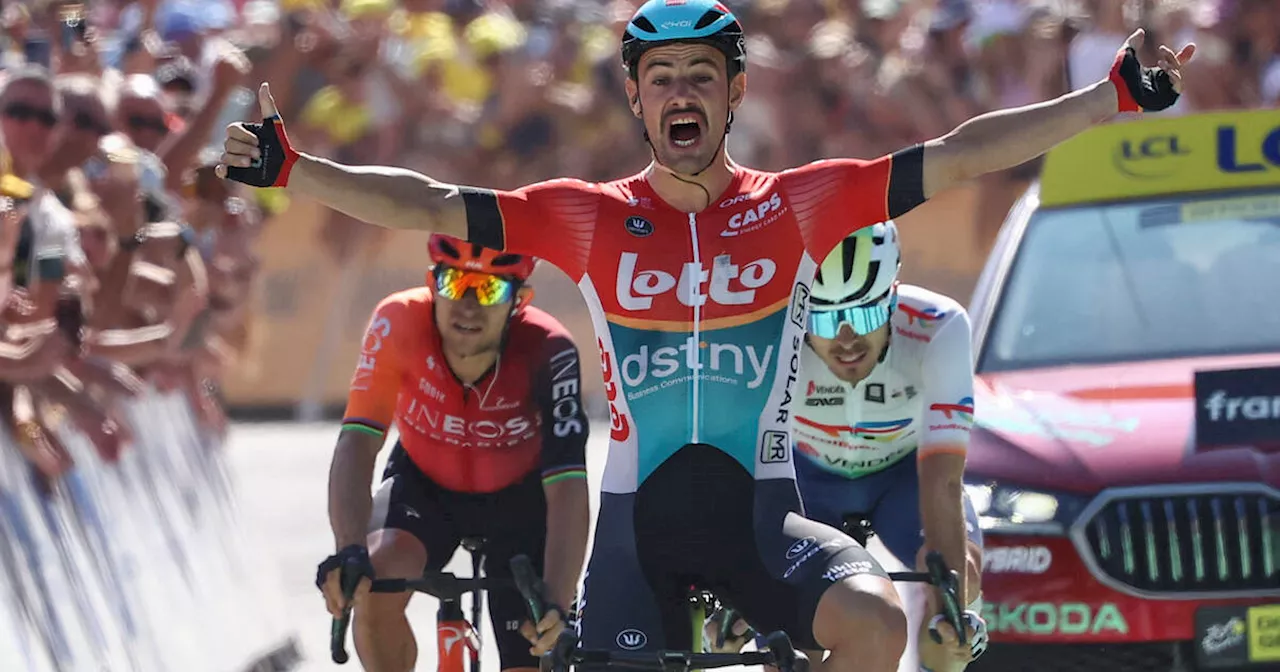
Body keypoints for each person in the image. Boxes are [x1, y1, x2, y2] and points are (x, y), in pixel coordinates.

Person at [220, 1, 1193, 668]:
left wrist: (1106, 96)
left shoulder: (802, 205)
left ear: (731, 97)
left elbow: (958, 154)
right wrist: (293, 171)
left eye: (700, 76)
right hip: (636, 531)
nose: (680, 92)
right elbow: (427, 200)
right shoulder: (586, 215)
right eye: (659, 78)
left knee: (869, 631)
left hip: (761, 523)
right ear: (635, 101)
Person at [706, 222, 987, 672]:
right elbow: (737, 466)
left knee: (955, 583)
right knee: (794, 645)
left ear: (892, 298)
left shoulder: (940, 324)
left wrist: (950, 604)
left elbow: (943, 478)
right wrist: (734, 581)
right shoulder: (770, 332)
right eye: (822, 319)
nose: (846, 340)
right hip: (807, 480)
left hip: (906, 477)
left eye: (864, 316)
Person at [315, 234, 592, 672]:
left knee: (539, 645)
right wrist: (348, 549)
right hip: (424, 487)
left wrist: (558, 600)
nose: (468, 305)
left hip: (522, 503)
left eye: (490, 289)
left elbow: (568, 485)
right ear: (431, 283)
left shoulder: (549, 348)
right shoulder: (397, 322)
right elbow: (358, 439)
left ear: (520, 300)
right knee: (372, 584)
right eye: (454, 284)